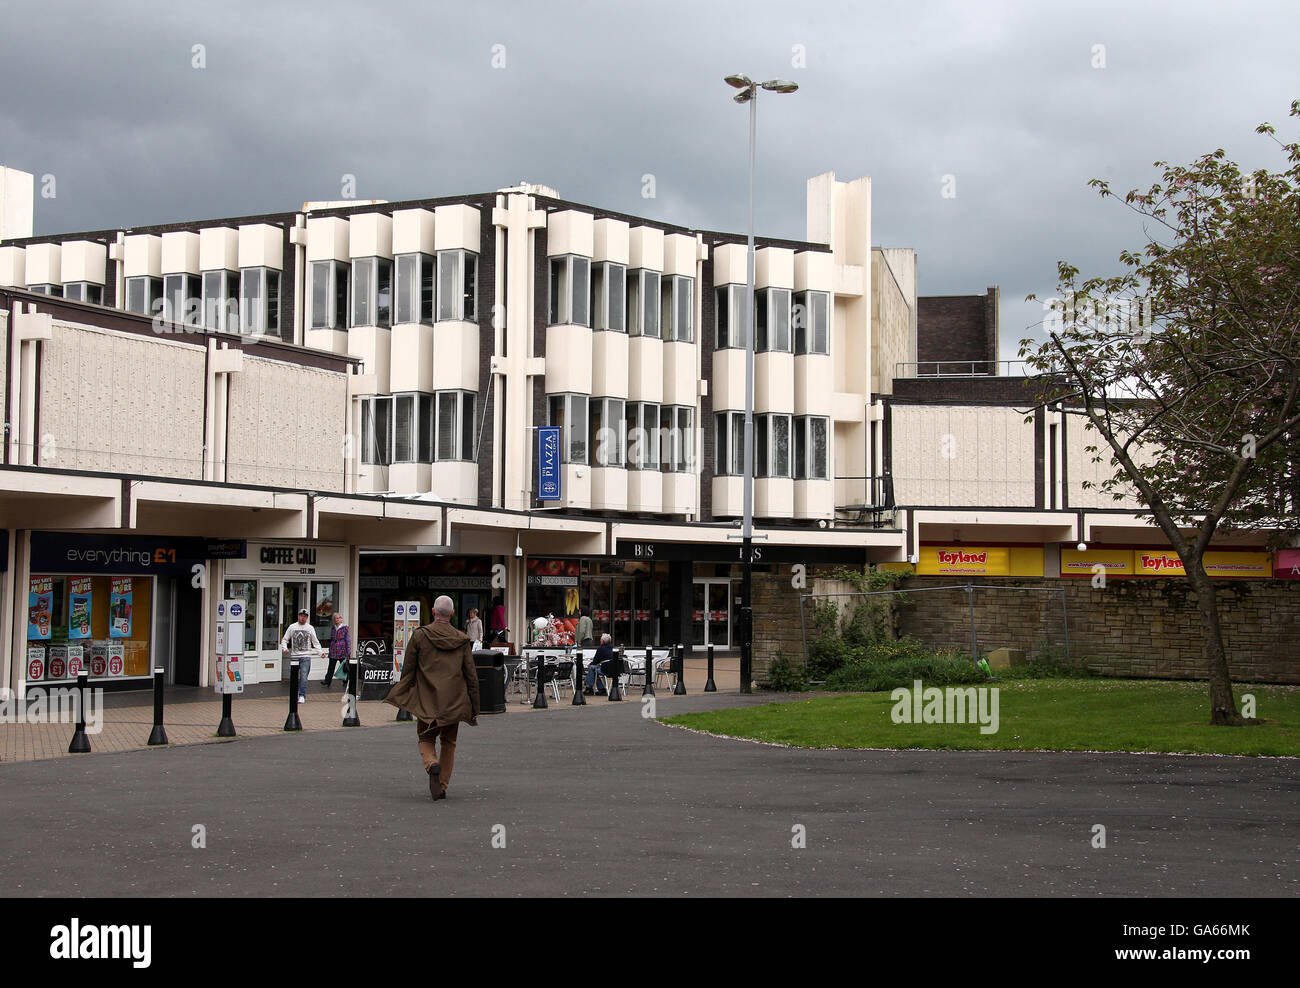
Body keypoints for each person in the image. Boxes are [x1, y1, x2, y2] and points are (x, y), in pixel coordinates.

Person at [385, 595, 480, 801]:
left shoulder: (420, 636)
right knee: (449, 742)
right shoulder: (462, 640)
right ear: (453, 614)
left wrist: (403, 694)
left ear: (434, 612)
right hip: (454, 702)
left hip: (427, 701)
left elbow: (408, 669)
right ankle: (443, 785)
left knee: (426, 738)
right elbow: (471, 675)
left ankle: (431, 764)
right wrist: (475, 707)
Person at [281, 608, 322, 704]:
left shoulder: (310, 628)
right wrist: (285, 648)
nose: (302, 618)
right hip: (294, 656)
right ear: (298, 616)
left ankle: (302, 695)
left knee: (303, 676)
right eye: (301, 616)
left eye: (304, 616)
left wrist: (320, 652)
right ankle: (294, 694)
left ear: (307, 618)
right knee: (293, 677)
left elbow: (315, 641)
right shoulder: (292, 627)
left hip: (306, 656)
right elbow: (284, 639)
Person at [321, 612, 351, 687]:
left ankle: (346, 680)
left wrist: (348, 651)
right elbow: (332, 639)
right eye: (335, 618)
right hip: (333, 651)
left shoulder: (345, 628)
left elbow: (348, 640)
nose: (336, 620)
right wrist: (330, 649)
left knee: (344, 667)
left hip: (342, 650)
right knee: (331, 667)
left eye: (338, 618)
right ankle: (327, 681)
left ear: (341, 619)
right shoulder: (333, 628)